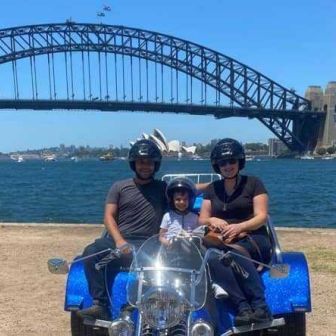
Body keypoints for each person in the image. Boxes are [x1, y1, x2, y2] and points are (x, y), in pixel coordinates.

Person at [77, 139, 167, 320]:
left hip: (148, 244)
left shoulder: (163, 188)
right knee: (91, 255)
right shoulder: (119, 187)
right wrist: (119, 242)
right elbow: (108, 217)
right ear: (134, 163)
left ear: (155, 165)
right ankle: (99, 303)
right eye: (141, 162)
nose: (145, 166)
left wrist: (212, 186)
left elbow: (189, 189)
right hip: (120, 242)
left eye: (150, 162)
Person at [199, 138, 273, 327]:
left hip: (252, 237)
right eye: (223, 163)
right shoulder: (212, 189)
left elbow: (262, 216)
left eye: (232, 161)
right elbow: (203, 219)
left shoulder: (254, 183)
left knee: (233, 252)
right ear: (217, 166)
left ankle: (260, 306)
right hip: (221, 240)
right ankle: (242, 308)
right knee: (213, 259)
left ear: (240, 162)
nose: (228, 166)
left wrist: (240, 227)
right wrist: (212, 220)